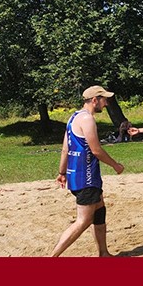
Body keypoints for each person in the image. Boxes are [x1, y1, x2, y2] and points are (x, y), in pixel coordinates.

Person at [52, 85, 125, 257]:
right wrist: (116, 165)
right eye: (104, 99)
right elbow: (96, 150)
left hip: (77, 175)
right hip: (86, 178)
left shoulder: (73, 117)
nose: (106, 103)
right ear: (94, 100)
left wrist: (62, 172)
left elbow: (65, 149)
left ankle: (104, 253)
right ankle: (52, 258)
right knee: (83, 221)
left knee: (99, 210)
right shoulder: (87, 119)